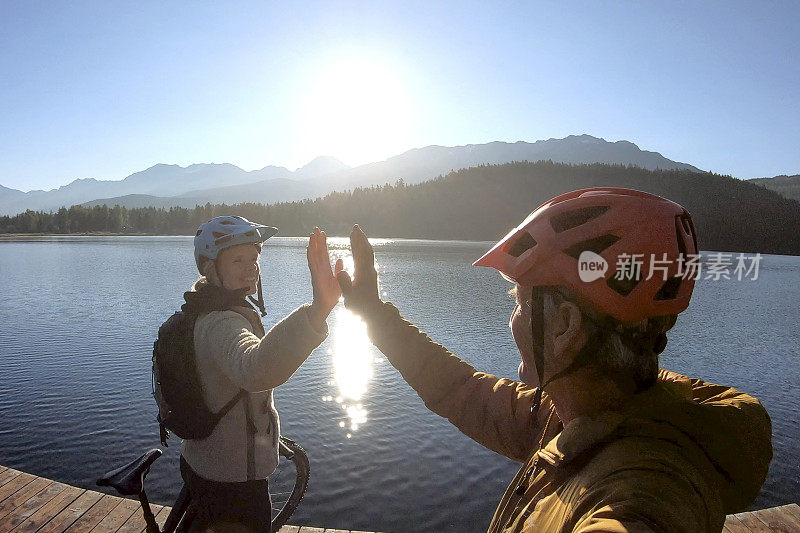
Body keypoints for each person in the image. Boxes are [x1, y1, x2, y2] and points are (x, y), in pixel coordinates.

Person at [336, 188, 772, 532]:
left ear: (564, 326)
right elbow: (460, 390)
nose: (512, 320)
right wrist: (374, 314)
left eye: (519, 304)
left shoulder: (646, 488)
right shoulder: (573, 417)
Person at [181, 216, 341, 532]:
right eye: (237, 259)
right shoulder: (222, 323)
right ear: (210, 268)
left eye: (253, 257)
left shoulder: (202, 307)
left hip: (203, 460)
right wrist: (318, 310)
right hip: (231, 478)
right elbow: (255, 369)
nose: (250, 266)